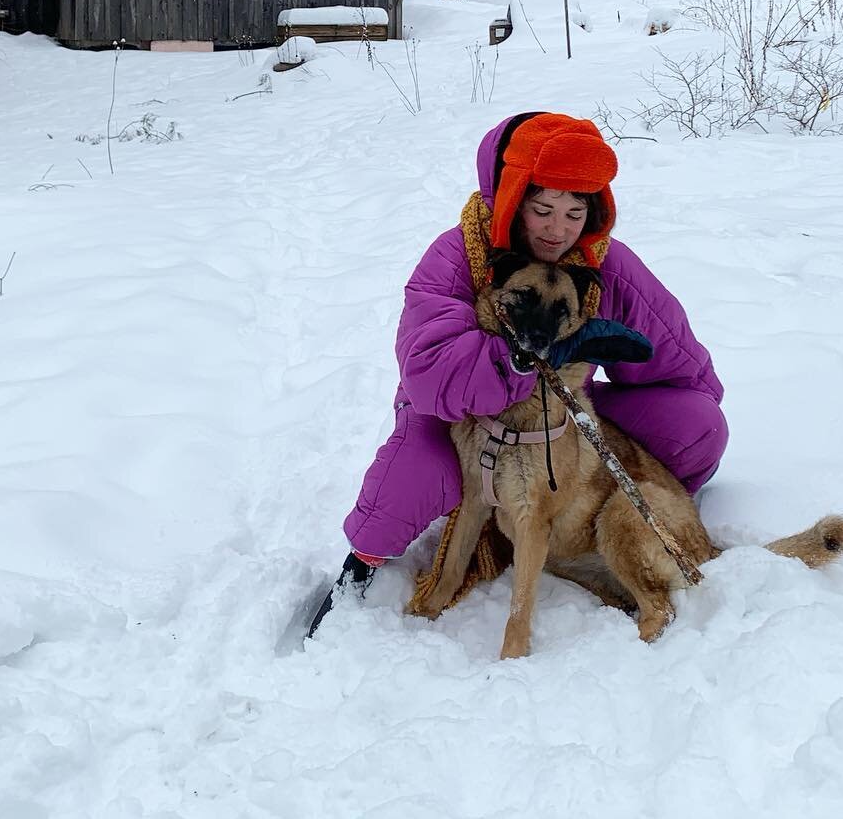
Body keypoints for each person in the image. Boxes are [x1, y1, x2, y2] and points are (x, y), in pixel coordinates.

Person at [307, 111, 727, 636]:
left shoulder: (606, 266)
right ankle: (362, 568)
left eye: (575, 213)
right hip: (449, 406)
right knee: (410, 482)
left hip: (553, 407)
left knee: (698, 425)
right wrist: (524, 355)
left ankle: (606, 526)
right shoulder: (458, 254)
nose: (558, 230)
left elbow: (677, 356)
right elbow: (431, 376)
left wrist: (673, 454)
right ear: (513, 198)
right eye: (543, 209)